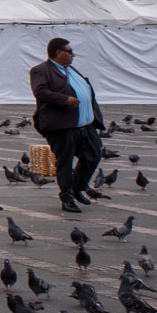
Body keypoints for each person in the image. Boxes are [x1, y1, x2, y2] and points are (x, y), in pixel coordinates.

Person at [29, 37, 105, 213]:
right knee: (65, 162)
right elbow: (40, 92)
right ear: (58, 53)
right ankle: (67, 198)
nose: (73, 55)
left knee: (93, 155)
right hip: (62, 127)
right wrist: (65, 100)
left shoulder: (71, 69)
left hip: (85, 126)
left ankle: (77, 188)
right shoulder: (41, 70)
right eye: (70, 52)